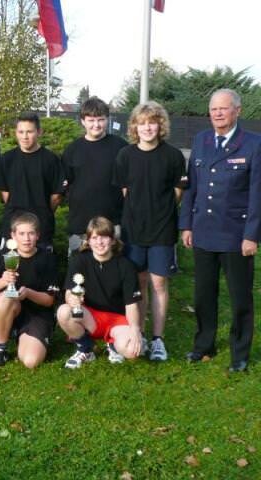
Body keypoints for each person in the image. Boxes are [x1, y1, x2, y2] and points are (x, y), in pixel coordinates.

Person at [179, 88, 261, 373]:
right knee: (204, 294)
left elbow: (257, 194)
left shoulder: (253, 144)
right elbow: (192, 187)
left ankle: (239, 354)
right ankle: (204, 345)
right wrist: (186, 224)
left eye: (223, 108)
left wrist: (252, 235)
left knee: (240, 298)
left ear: (237, 111)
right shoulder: (201, 140)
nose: (217, 113)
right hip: (203, 230)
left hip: (236, 235)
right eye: (214, 109)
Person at [114, 101, 187, 361]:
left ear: (160, 125)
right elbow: (125, 192)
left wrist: (160, 212)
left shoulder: (173, 156)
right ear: (135, 127)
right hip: (134, 230)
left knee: (158, 283)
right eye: (142, 123)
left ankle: (158, 339)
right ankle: (139, 334)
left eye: (152, 123)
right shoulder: (125, 156)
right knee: (139, 282)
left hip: (163, 230)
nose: (147, 128)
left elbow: (178, 192)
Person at [57, 216, 142, 369]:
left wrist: (135, 330)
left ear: (113, 240)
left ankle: (113, 345)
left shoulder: (126, 266)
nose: (99, 242)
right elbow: (69, 292)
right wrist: (72, 299)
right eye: (95, 238)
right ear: (88, 241)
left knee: (132, 352)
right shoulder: (79, 260)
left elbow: (132, 304)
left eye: (104, 237)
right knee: (63, 312)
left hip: (117, 319)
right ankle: (86, 348)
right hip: (91, 317)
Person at [0, 213, 59, 369]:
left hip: (37, 315)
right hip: (11, 308)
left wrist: (28, 293)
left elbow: (50, 300)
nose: (26, 238)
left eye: (31, 233)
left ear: (38, 235)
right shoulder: (5, 255)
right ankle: (1, 348)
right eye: (21, 234)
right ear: (13, 235)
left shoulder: (47, 258)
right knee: (5, 297)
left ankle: (23, 337)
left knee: (31, 361)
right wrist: (3, 281)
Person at [61, 97, 128, 255]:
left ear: (107, 119)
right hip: (79, 227)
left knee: (113, 268)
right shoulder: (72, 150)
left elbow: (129, 185)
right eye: (91, 120)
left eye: (101, 120)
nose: (96, 125)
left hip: (113, 225)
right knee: (78, 268)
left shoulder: (121, 147)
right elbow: (65, 186)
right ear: (83, 121)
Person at [0, 112, 63, 250]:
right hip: (12, 229)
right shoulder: (7, 159)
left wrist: (42, 212)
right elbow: (5, 195)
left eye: (29, 132)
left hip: (41, 229)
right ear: (16, 133)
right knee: (11, 264)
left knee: (41, 264)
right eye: (21, 132)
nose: (25, 136)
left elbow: (56, 196)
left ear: (39, 132)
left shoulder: (51, 160)